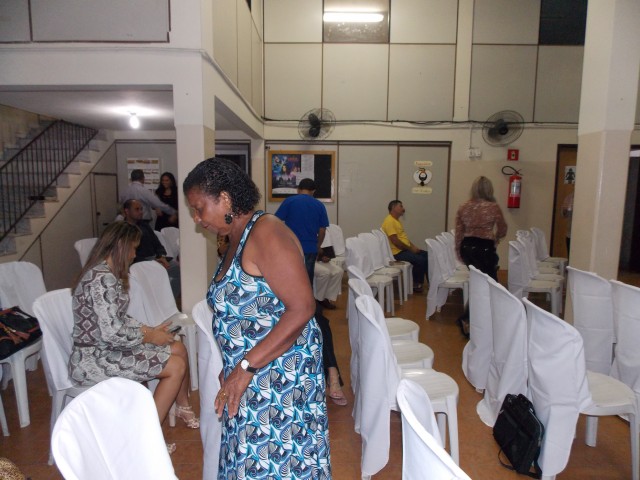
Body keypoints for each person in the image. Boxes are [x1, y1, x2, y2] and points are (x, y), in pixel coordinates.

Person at [183, 159, 331, 478]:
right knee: (249, 460)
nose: (197, 219)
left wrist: (246, 366)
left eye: (198, 208)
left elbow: (302, 308)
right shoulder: (238, 236)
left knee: (274, 464)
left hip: (278, 377)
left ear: (225, 199)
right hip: (253, 371)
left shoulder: (266, 233)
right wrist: (235, 364)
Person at [69, 221, 198, 455]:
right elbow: (112, 333)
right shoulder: (102, 279)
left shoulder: (104, 273)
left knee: (177, 348)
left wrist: (150, 330)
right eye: (133, 248)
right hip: (93, 360)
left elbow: (118, 320)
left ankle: (181, 406)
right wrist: (149, 336)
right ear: (121, 246)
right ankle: (147, 438)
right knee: (175, 366)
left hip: (106, 350)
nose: (134, 254)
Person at [275, 178, 347, 405]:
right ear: (314, 190)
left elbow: (277, 223)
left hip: (290, 249)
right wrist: (316, 245)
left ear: (299, 189)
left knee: (296, 286)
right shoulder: (318, 205)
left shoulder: (289, 202)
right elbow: (322, 229)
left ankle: (304, 307)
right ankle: (307, 306)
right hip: (308, 248)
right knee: (306, 283)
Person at [454, 176, 507, 336]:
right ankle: (469, 318)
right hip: (485, 247)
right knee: (490, 283)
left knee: (479, 282)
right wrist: (497, 238)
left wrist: (459, 251)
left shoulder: (463, 207)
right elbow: (503, 228)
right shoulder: (493, 207)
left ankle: (472, 318)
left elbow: (459, 232)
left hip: (467, 247)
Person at [122, 199, 181, 299]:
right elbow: (128, 255)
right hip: (138, 263)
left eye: (141, 209)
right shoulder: (123, 229)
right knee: (158, 272)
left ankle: (167, 300)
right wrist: (153, 262)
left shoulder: (144, 225)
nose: (141, 212)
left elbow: (157, 244)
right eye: (137, 209)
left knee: (179, 270)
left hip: (155, 259)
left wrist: (162, 256)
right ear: (127, 211)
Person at [381, 200, 429, 293]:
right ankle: (416, 284)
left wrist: (414, 247)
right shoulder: (389, 221)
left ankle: (431, 282)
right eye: (401, 206)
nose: (403, 209)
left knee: (427, 255)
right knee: (420, 260)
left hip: (402, 250)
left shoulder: (396, 221)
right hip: (396, 253)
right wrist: (411, 249)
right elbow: (395, 241)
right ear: (393, 208)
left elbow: (404, 239)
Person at [561, 191, 574, 255]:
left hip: (580, 233)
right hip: (569, 233)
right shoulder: (569, 197)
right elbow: (564, 215)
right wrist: (565, 209)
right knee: (570, 256)